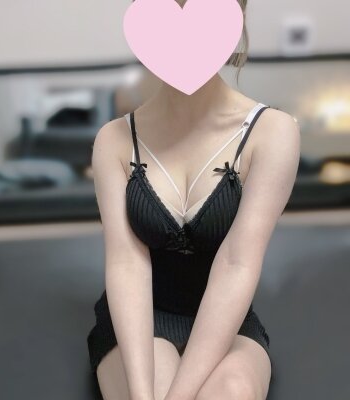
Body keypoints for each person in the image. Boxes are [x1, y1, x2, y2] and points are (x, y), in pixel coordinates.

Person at [87, 1, 301, 399]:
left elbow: (238, 263)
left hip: (227, 320)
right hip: (138, 321)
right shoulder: (113, 140)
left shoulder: (273, 132)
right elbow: (126, 264)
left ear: (235, 22)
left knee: (232, 391)